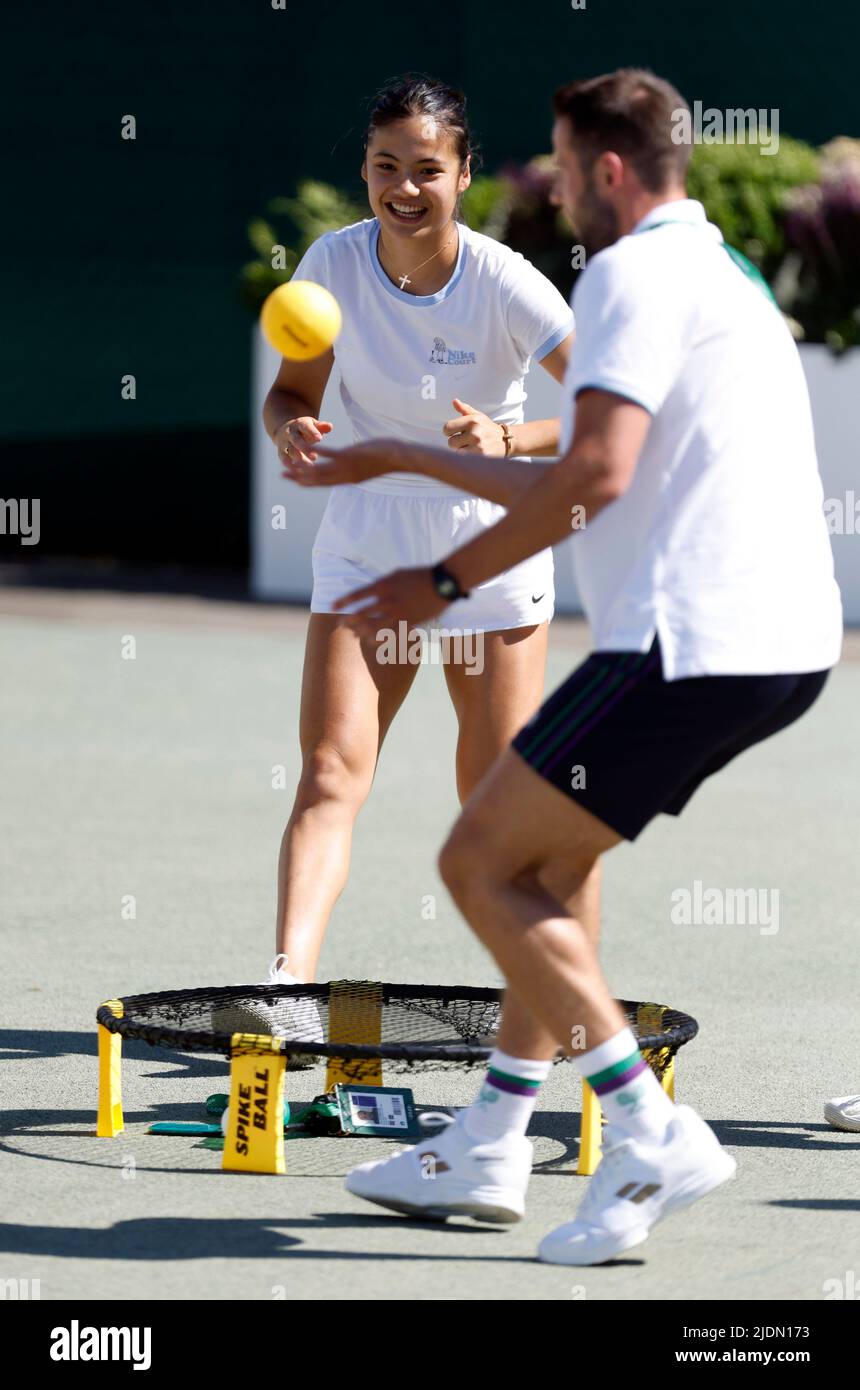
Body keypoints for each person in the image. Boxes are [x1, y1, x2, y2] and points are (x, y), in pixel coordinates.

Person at [329, 68, 843, 1264]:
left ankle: (646, 1123)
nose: (555, 193)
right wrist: (406, 455)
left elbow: (592, 475)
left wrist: (443, 583)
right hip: (778, 645)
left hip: (684, 643)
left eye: (562, 169)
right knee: (543, 871)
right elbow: (586, 472)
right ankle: (493, 1137)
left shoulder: (624, 274)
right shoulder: (720, 273)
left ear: (608, 171)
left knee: (477, 858)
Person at [217, 76, 575, 1040]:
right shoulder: (329, 265)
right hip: (370, 534)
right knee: (331, 770)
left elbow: (605, 407)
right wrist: (290, 432)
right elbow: (290, 396)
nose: (404, 187)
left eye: (427, 169)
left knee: (495, 794)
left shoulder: (506, 282)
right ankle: (288, 989)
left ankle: (540, 996)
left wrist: (512, 441)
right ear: (365, 168)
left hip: (490, 541)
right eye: (386, 166)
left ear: (464, 175)